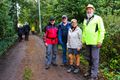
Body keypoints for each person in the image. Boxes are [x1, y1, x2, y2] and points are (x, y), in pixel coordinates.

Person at [82, 4, 105, 80]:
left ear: (93, 10)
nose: (89, 10)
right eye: (88, 9)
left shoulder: (98, 18)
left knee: (95, 59)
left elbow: (102, 30)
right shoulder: (85, 19)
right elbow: (84, 32)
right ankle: (89, 71)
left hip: (95, 43)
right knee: (88, 58)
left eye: (90, 9)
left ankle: (93, 76)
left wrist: (100, 41)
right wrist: (83, 41)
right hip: (87, 43)